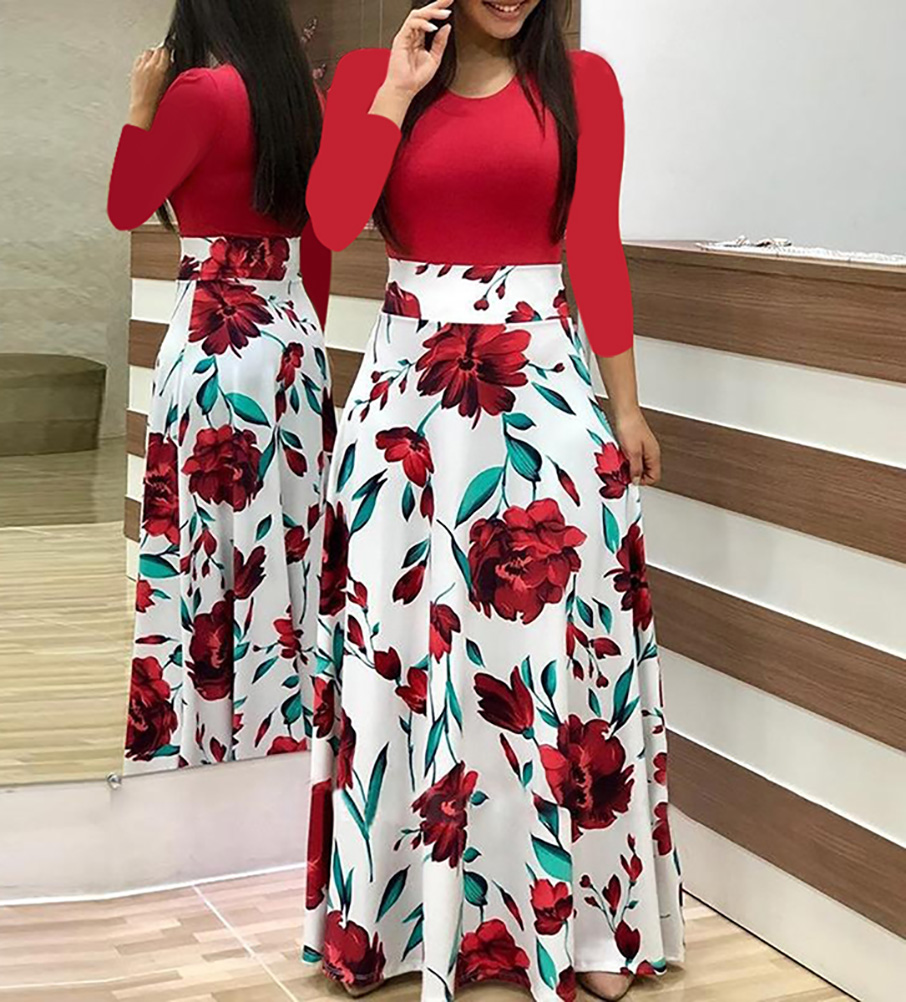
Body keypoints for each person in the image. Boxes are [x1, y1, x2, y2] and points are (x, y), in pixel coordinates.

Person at [301, 1, 683, 999]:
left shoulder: (584, 84)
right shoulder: (367, 78)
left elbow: (594, 245)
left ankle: (586, 932)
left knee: (554, 656)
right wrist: (398, 91)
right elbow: (331, 223)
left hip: (547, 394)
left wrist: (626, 407)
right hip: (407, 412)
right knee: (405, 658)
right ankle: (395, 927)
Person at [107, 0, 334, 773]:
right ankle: (286, 730)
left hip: (215, 340)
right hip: (294, 344)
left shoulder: (198, 94)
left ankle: (208, 735)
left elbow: (127, 205)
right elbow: (319, 243)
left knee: (209, 540)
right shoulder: (303, 98)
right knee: (291, 538)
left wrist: (140, 105)